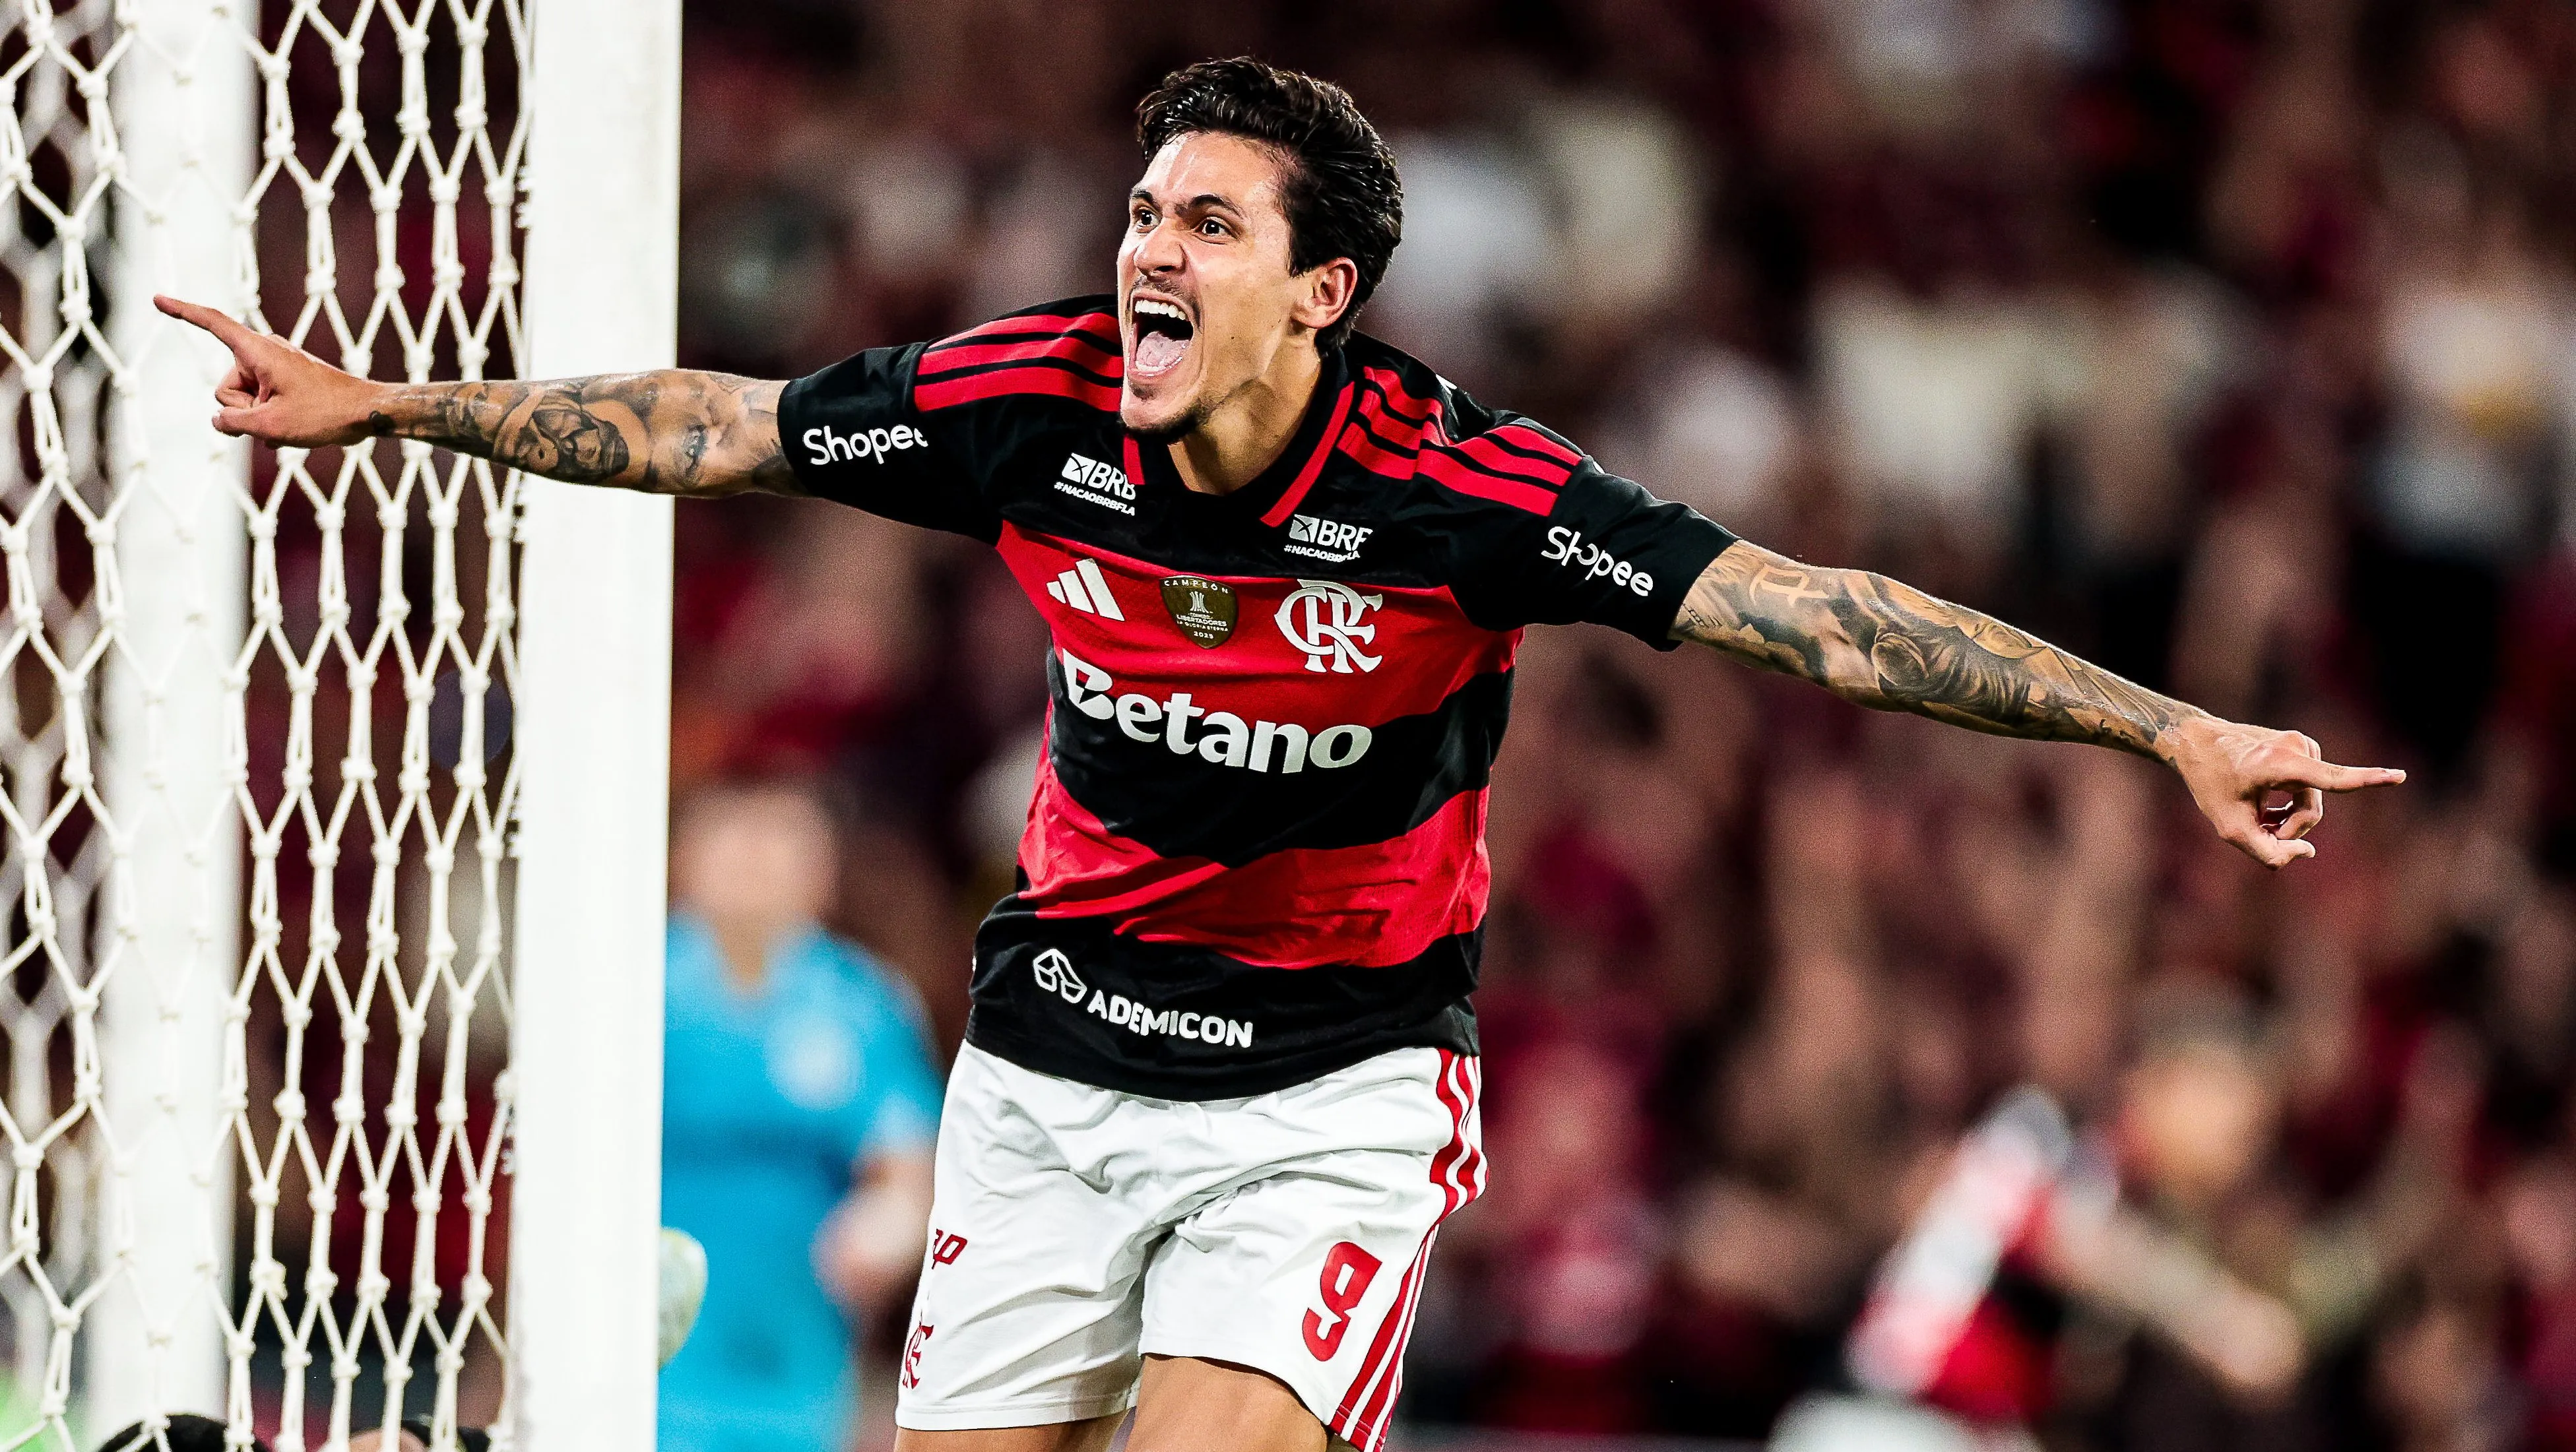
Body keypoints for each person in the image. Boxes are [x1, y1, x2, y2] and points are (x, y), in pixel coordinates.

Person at [156, 55, 2405, 1452]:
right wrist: (390, 407)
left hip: (1321, 1097)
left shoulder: (1459, 490)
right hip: (1047, 1074)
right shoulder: (1023, 400)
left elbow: (1814, 618)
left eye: (1203, 223)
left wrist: (2165, 723)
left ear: (1320, 291)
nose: (1145, 248)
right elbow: (718, 430)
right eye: (1141, 211)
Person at [659, 778, 943, 1452]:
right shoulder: (630, 986)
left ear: (823, 872)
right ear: (682, 858)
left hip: (801, 1351)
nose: (757, 862)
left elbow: (905, 1165)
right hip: (647, 1355)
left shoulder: (864, 1002)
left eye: (782, 842)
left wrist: (890, 1225)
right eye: (735, 838)